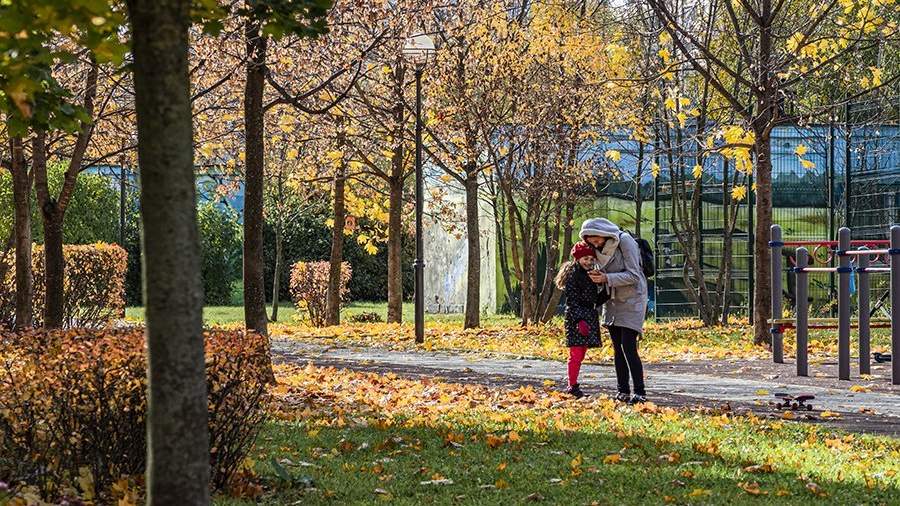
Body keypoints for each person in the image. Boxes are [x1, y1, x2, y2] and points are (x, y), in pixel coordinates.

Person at [579, 218, 649, 404]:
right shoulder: (595, 250)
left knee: (628, 346)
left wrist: (606, 278)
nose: (595, 245)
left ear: (604, 233)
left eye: (596, 240)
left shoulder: (624, 241)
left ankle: (640, 392)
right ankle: (622, 391)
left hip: (632, 299)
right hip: (611, 300)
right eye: (591, 242)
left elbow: (634, 275)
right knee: (617, 348)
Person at [554, 241, 606, 399]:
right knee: (576, 353)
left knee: (582, 353)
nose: (589, 262)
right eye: (585, 259)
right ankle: (572, 385)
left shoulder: (590, 274)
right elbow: (572, 300)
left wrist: (606, 292)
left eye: (591, 259)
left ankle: (573, 383)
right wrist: (579, 320)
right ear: (577, 259)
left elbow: (593, 299)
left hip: (589, 315)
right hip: (576, 317)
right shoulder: (573, 275)